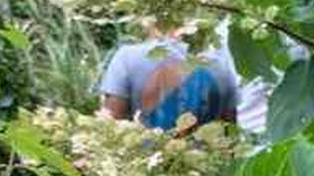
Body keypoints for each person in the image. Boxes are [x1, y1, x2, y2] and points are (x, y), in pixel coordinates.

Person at [99, 35, 239, 128]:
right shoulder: (219, 61)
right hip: (209, 168)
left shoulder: (127, 57)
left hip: (145, 167)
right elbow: (230, 129)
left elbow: (111, 124)